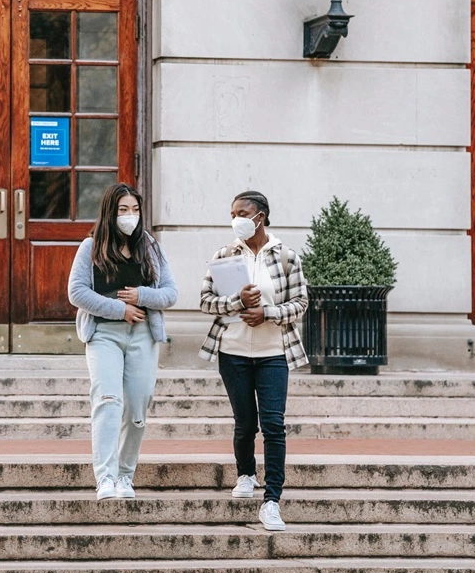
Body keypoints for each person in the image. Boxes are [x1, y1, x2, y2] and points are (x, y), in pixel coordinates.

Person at [199, 190, 309, 531]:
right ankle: (246, 474)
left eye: (242, 213)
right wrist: (236, 301)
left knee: (274, 425)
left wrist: (268, 313)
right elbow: (205, 301)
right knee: (245, 422)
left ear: (260, 216)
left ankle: (272, 500)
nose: (236, 220)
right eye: (232, 213)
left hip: (273, 353)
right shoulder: (224, 255)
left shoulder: (287, 257)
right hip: (232, 352)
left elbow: (301, 302)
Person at [68, 183, 178, 501]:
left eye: (135, 210)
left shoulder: (150, 247)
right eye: (122, 210)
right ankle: (105, 477)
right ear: (109, 213)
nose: (130, 216)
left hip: (143, 335)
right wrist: (120, 309)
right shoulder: (91, 247)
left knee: (137, 407)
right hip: (104, 335)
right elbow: (77, 293)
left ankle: (125, 475)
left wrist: (141, 295)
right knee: (108, 401)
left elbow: (171, 293)